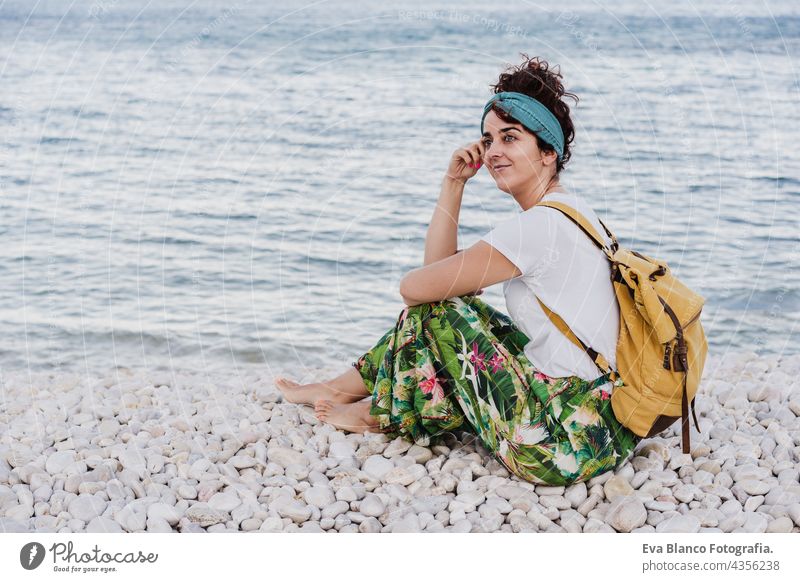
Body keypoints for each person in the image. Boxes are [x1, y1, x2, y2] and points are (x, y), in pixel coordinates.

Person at [275, 54, 641, 486]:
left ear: (547, 152)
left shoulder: (537, 226)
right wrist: (455, 183)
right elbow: (438, 279)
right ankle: (344, 388)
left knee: (442, 311)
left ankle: (381, 411)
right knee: (463, 314)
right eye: (488, 140)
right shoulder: (575, 211)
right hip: (608, 428)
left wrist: (449, 189)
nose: (493, 152)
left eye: (510, 138)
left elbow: (418, 287)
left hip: (559, 446)